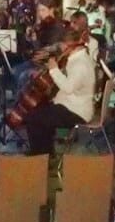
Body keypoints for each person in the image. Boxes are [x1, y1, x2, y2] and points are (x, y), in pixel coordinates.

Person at [22, 18, 96, 155]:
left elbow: (68, 87)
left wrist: (54, 70)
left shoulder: (81, 64)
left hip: (76, 111)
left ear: (69, 45)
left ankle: (41, 155)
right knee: (37, 110)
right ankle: (46, 152)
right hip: (68, 104)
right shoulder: (75, 58)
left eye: (61, 45)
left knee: (33, 119)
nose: (60, 48)